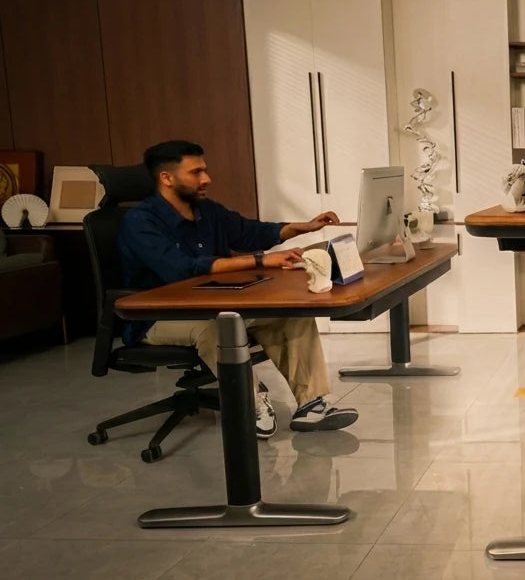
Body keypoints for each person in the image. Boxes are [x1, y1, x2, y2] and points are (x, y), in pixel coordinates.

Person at [119, 140, 358, 439]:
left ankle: (312, 405)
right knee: (216, 327)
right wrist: (260, 260)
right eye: (196, 172)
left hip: (215, 301)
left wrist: (302, 227)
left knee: (291, 315)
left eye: (205, 170)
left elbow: (250, 232)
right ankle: (251, 402)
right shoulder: (140, 222)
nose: (207, 179)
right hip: (156, 315)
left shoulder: (207, 211)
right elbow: (181, 269)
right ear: (167, 178)